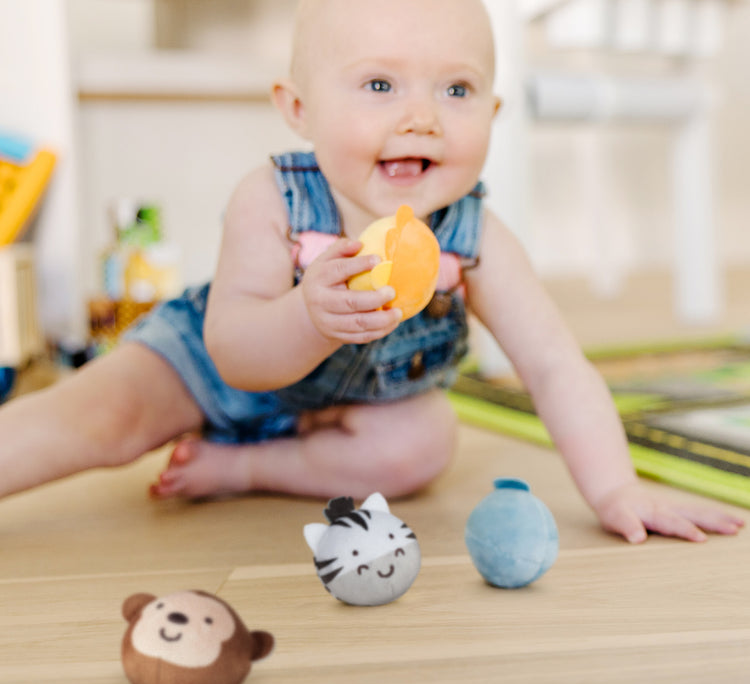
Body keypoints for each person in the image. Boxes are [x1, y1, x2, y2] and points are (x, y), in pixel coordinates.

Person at [0, 0, 743, 545]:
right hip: (209, 367)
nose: (422, 117)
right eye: (380, 86)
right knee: (99, 418)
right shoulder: (274, 199)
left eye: (456, 91)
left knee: (424, 443)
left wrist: (615, 487)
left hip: (345, 414)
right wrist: (306, 316)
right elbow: (233, 349)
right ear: (299, 108)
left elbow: (554, 366)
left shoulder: (474, 237)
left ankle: (248, 470)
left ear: (493, 108)